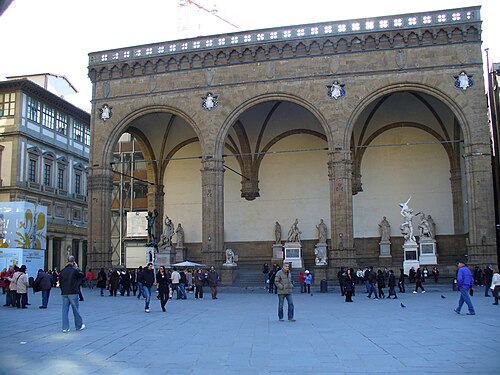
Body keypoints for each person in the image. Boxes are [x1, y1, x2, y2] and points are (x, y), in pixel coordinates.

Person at [59, 256, 85, 332]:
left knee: (64, 310)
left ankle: (65, 328)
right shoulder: (75, 270)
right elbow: (82, 275)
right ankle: (78, 326)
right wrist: (77, 267)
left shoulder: (62, 271)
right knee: (76, 310)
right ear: (73, 262)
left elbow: (60, 283)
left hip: (64, 292)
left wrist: (63, 290)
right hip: (73, 292)